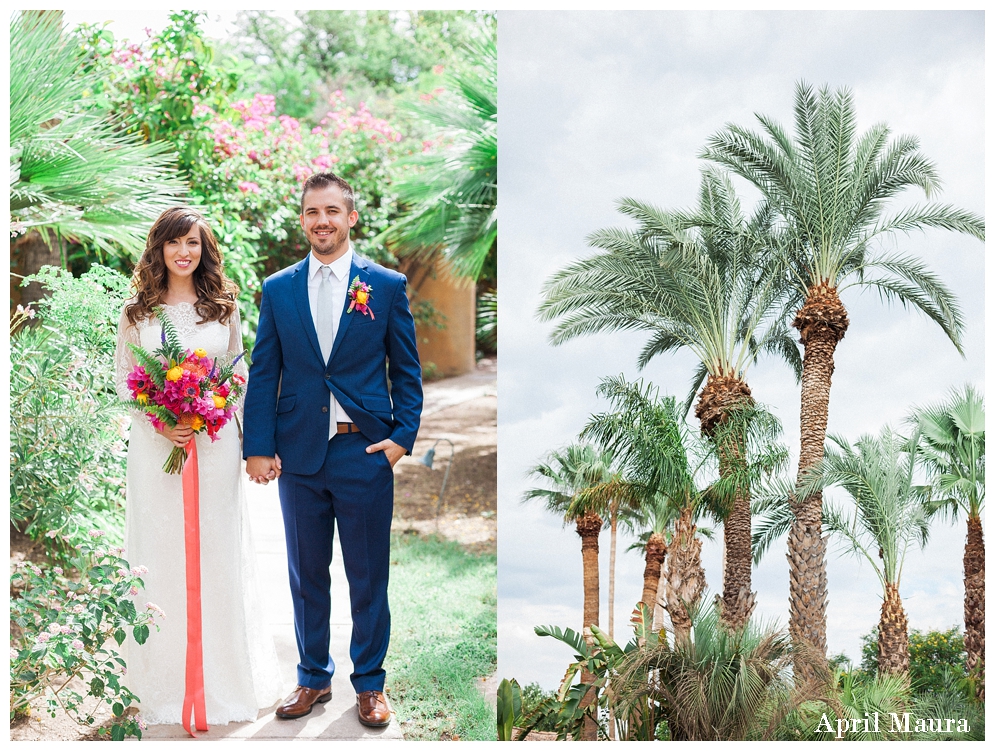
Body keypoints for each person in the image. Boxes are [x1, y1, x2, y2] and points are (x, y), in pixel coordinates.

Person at [242, 172, 422, 726]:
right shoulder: (278, 288)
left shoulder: (385, 285)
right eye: (311, 212)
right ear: (303, 220)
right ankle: (312, 678)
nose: (322, 221)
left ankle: (369, 684)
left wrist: (399, 440)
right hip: (299, 456)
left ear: (350, 218)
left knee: (367, 575)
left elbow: (407, 371)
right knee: (305, 572)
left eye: (332, 212)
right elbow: (265, 370)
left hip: (363, 452)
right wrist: (259, 446)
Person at [114, 207, 282, 725]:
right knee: (160, 552)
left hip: (213, 447)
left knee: (217, 551)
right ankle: (161, 683)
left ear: (203, 248)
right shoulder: (137, 313)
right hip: (155, 448)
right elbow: (124, 378)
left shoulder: (222, 307)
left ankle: (221, 682)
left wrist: (213, 409)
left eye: (192, 243)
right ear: (158, 249)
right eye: (173, 243)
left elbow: (237, 373)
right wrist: (160, 422)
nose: (183, 252)